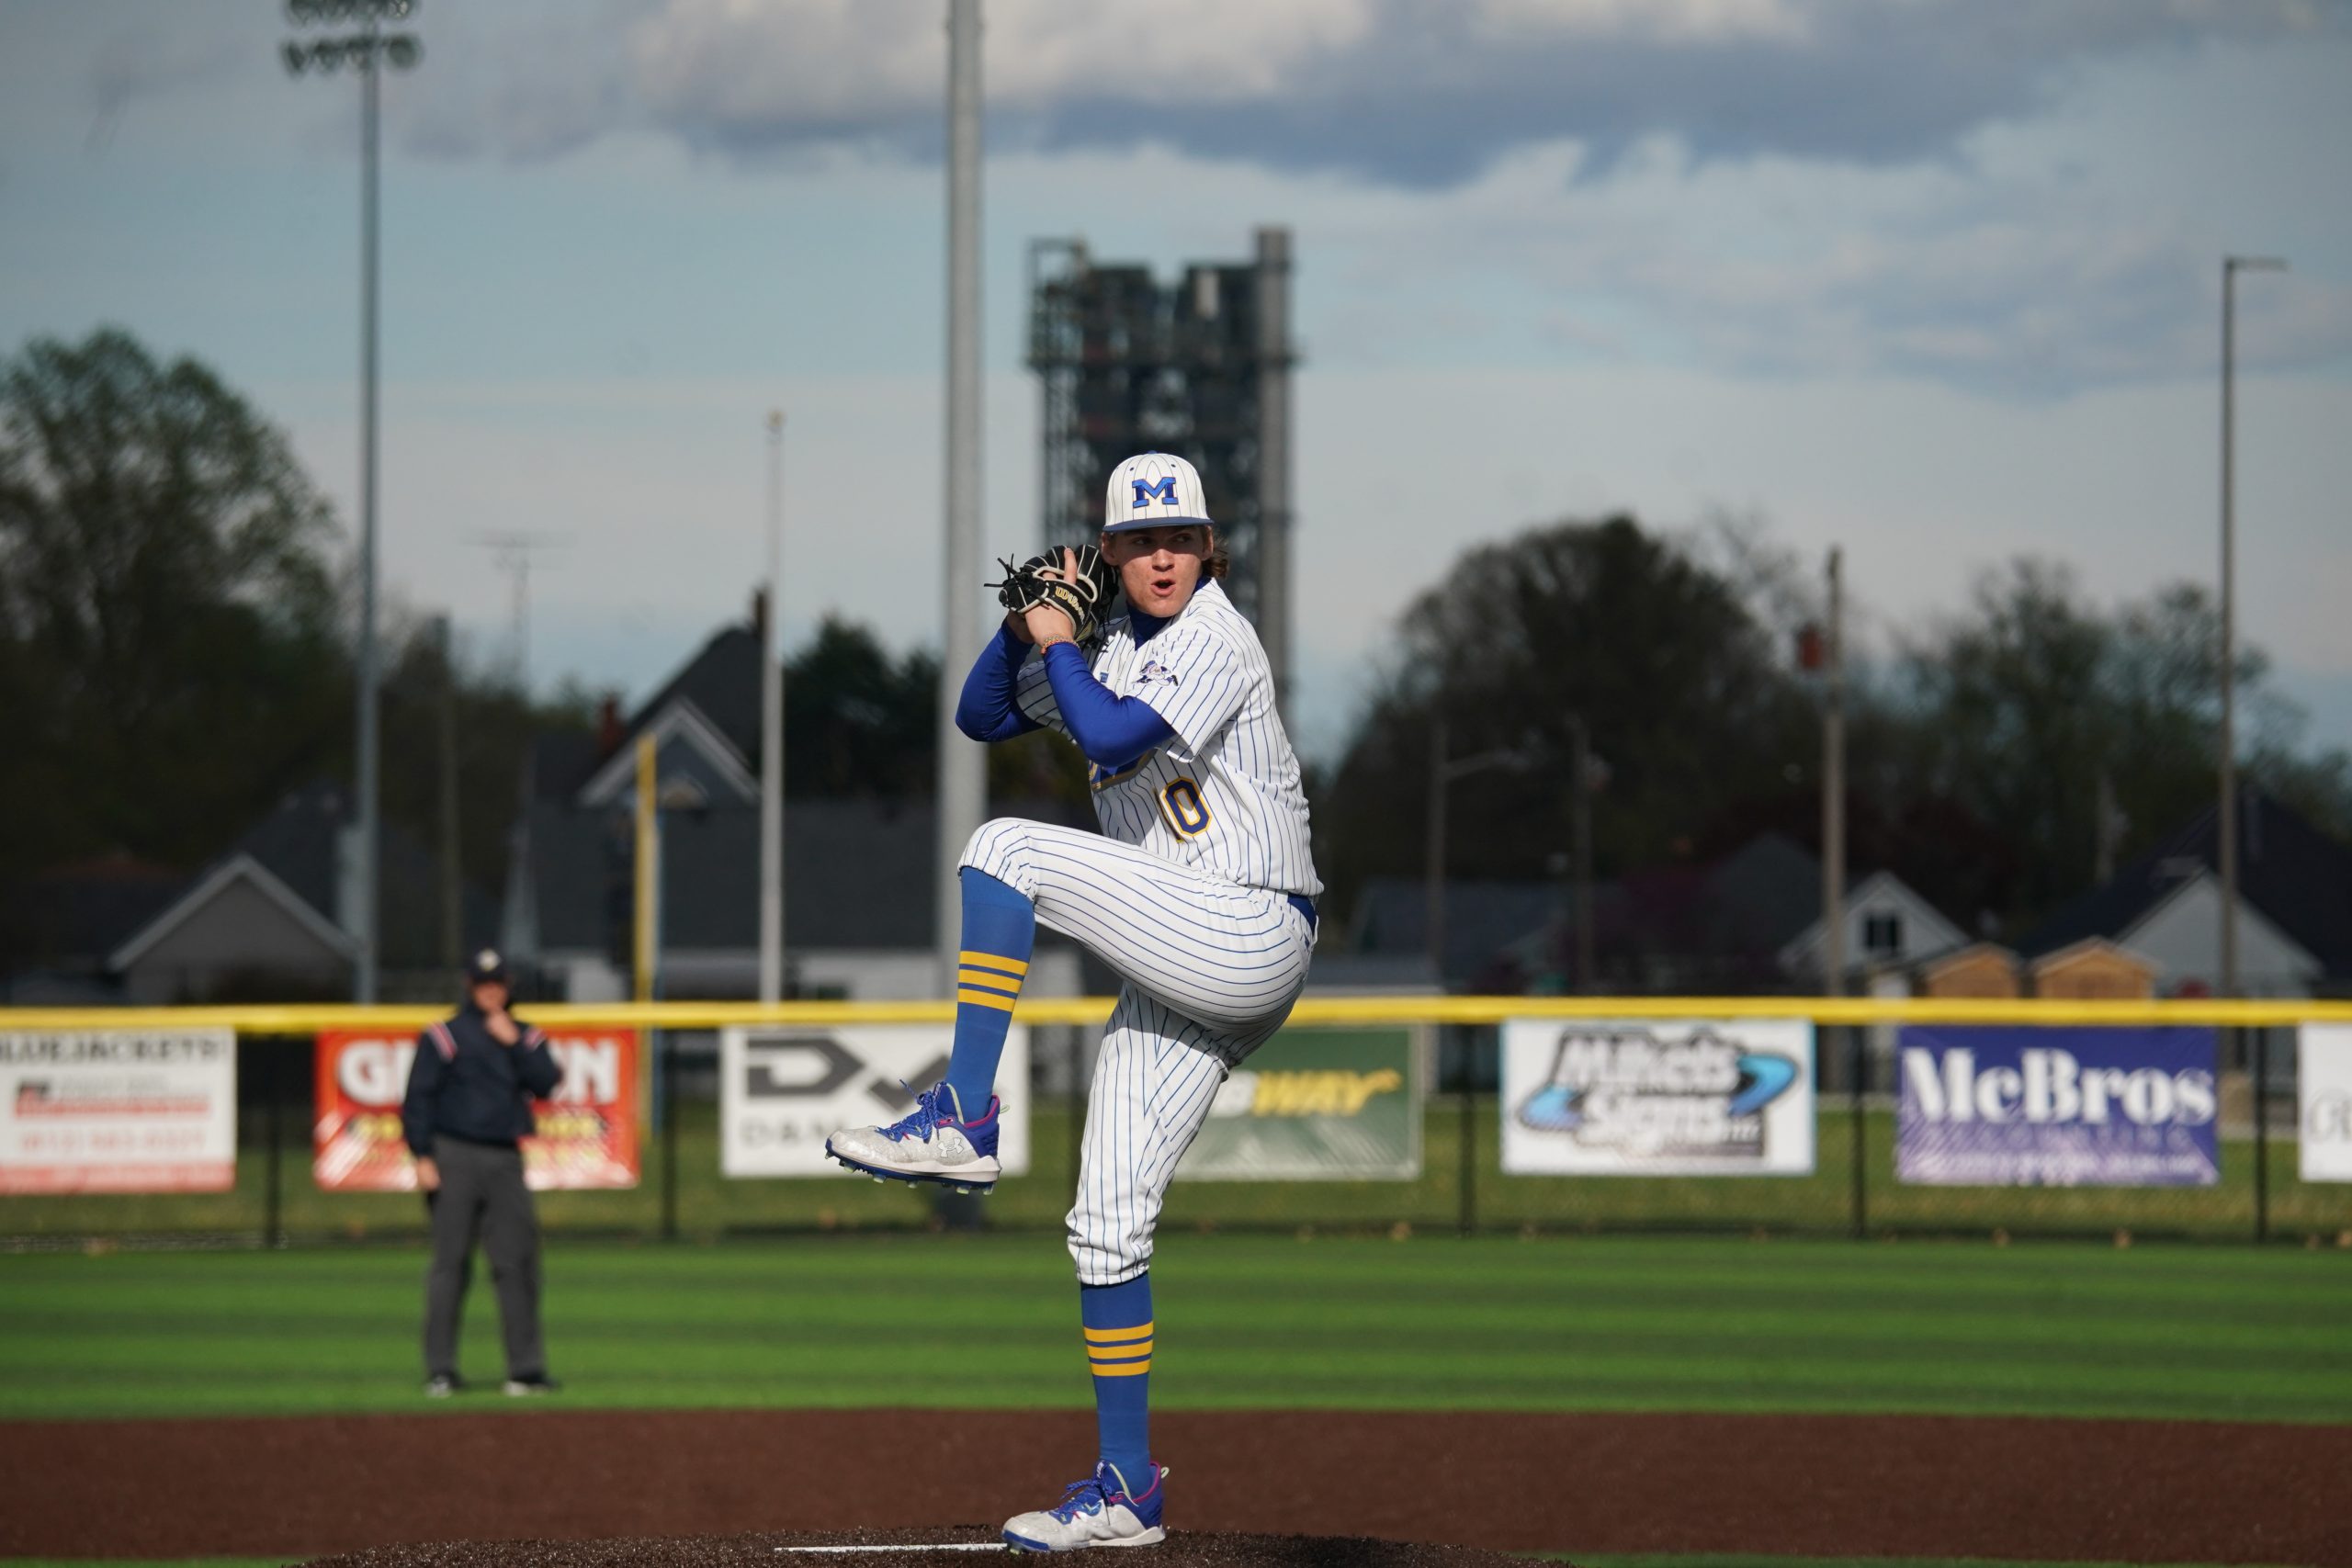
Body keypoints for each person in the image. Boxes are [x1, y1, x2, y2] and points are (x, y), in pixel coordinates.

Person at [826, 452, 1320, 1551]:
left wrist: (1056, 641)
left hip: (1249, 923)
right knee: (1104, 1224)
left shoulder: (1214, 637)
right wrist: (1021, 627)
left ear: (1210, 550)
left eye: (1180, 539)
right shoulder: (1106, 654)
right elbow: (980, 715)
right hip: (1183, 956)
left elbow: (1106, 736)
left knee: (1005, 847)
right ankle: (1128, 1489)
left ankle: (964, 1115)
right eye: (1141, 542)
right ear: (1109, 554)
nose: (1162, 558)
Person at [401, 947, 564, 1398]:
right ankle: (441, 1370)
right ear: (470, 986)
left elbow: (547, 1082)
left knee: (517, 1263)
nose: (490, 991)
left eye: (497, 983)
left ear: (508, 986)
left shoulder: (524, 1035)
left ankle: (525, 1370)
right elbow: (419, 1097)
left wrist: (514, 1044)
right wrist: (422, 1155)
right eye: (482, 983)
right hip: (453, 1154)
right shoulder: (445, 1035)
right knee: (450, 1263)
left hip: (505, 1159)